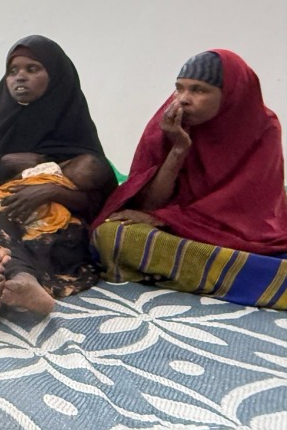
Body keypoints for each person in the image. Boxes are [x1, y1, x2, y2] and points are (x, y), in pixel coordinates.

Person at [0, 36, 115, 322]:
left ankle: (6, 283)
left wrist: (51, 191)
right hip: (1, 217)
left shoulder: (73, 123)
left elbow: (98, 199)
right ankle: (22, 281)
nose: (20, 77)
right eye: (13, 70)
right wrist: (2, 163)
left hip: (54, 224)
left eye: (33, 69)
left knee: (65, 238)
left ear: (56, 77)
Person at [93, 50, 287, 308]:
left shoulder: (262, 127)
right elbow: (150, 204)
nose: (183, 99)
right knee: (110, 234)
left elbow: (247, 210)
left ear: (229, 94)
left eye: (199, 90)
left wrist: (164, 219)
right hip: (179, 222)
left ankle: (245, 275)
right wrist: (178, 149)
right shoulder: (171, 121)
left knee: (265, 260)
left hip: (238, 229)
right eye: (179, 88)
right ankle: (238, 276)